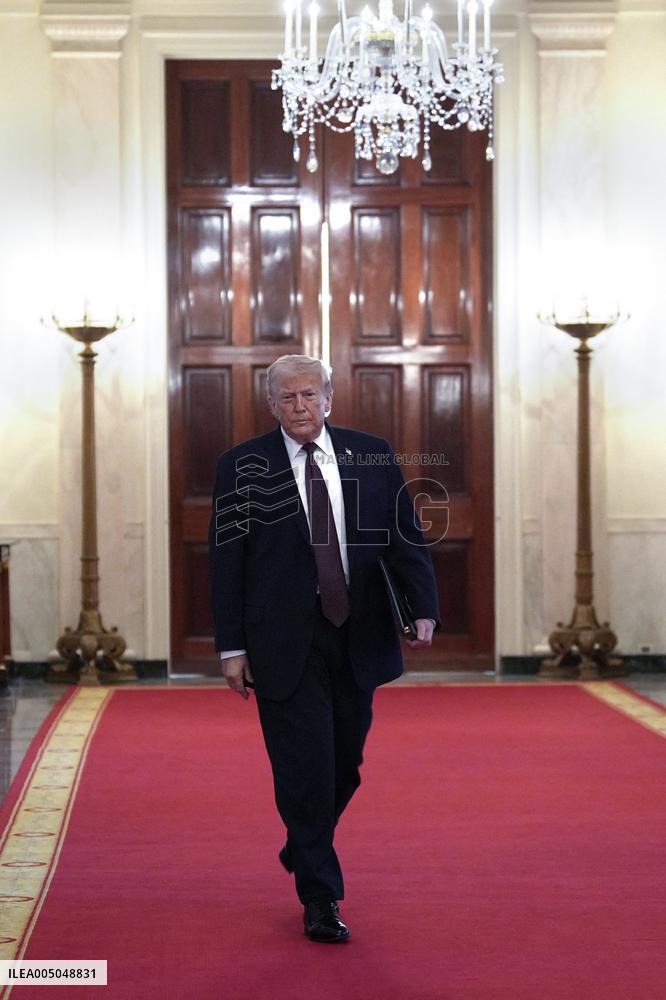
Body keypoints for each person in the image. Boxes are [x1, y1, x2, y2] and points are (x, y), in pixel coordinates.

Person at [208, 354, 439, 943]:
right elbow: (226, 562)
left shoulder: (372, 453)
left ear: (329, 398)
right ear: (272, 405)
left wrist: (423, 608)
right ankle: (321, 895)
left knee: (346, 763)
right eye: (287, 398)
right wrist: (231, 648)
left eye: (309, 395)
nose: (300, 406)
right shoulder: (242, 466)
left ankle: (303, 839)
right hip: (282, 640)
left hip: (356, 632)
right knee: (305, 766)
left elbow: (404, 537)